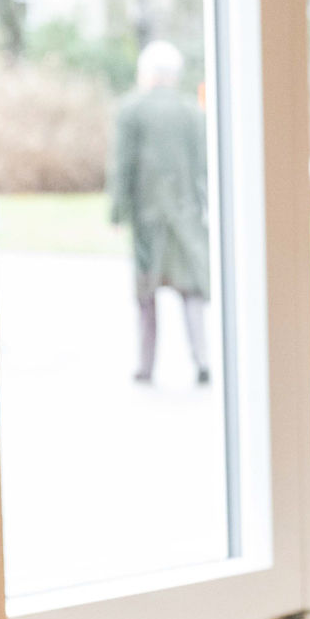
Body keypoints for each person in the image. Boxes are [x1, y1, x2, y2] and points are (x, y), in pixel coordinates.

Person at [112, 39, 214, 385]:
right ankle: (202, 358)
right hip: (186, 216)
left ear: (148, 74)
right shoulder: (191, 113)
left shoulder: (132, 111)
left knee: (146, 294)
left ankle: (146, 365)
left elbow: (122, 165)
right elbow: (203, 167)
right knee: (191, 290)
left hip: (148, 217)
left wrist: (117, 213)